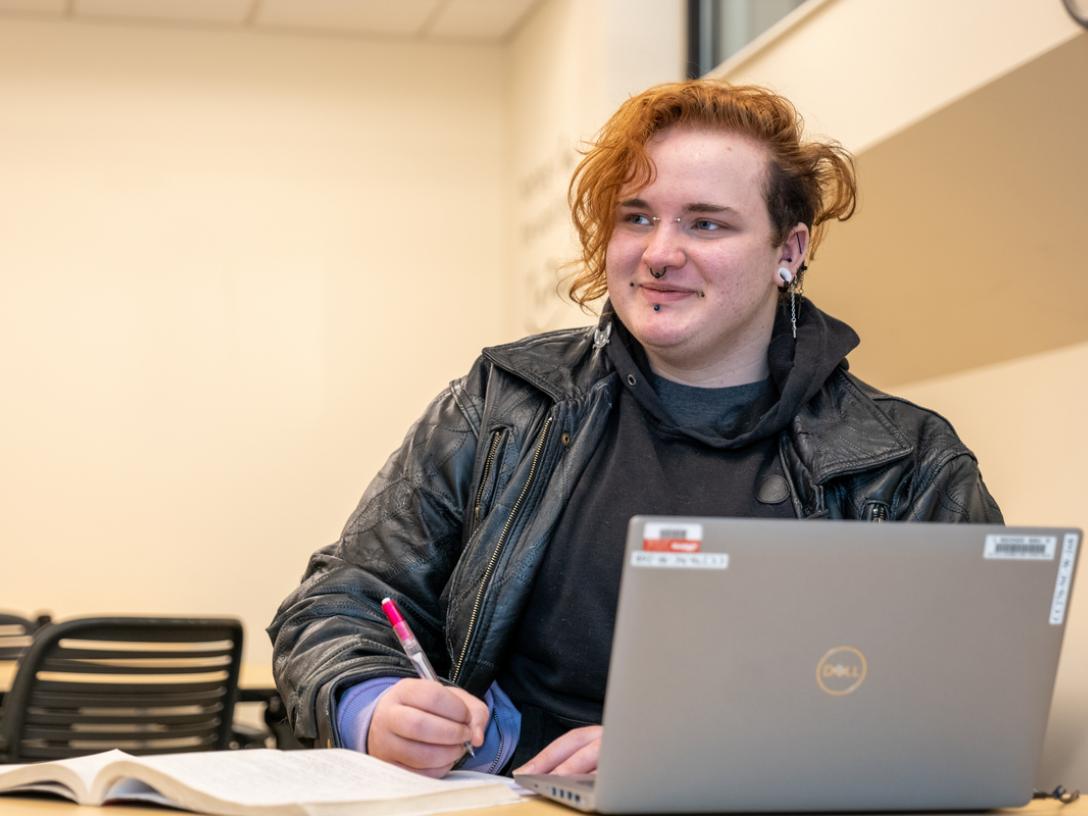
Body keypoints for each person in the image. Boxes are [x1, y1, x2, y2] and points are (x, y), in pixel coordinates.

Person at [267, 79, 1002, 779]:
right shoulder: (506, 403)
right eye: (637, 217)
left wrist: (695, 757)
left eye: (706, 222)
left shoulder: (906, 461)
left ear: (789, 252)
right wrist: (370, 704)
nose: (658, 254)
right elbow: (340, 599)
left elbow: (963, 704)